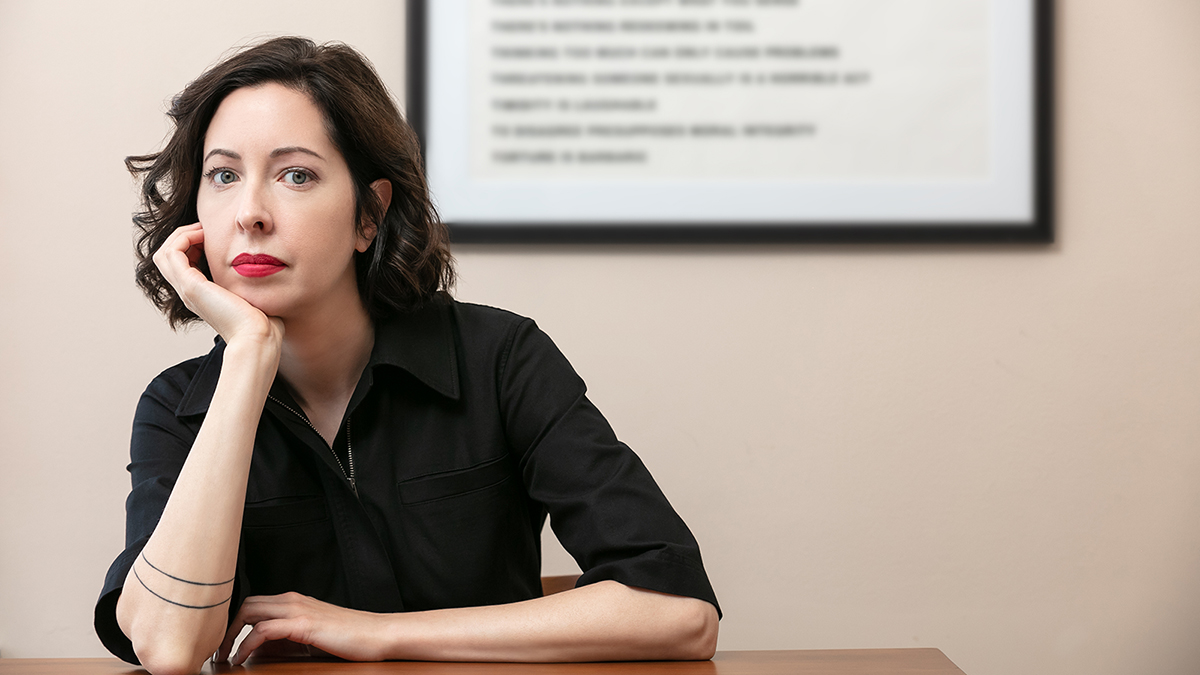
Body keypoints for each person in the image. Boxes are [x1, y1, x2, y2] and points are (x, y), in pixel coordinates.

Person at [94, 37, 720, 675]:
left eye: (296, 175)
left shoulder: (500, 360)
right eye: (223, 175)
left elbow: (679, 612)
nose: (250, 213)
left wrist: (382, 634)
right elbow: (169, 649)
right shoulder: (176, 408)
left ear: (370, 214)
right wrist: (249, 355)